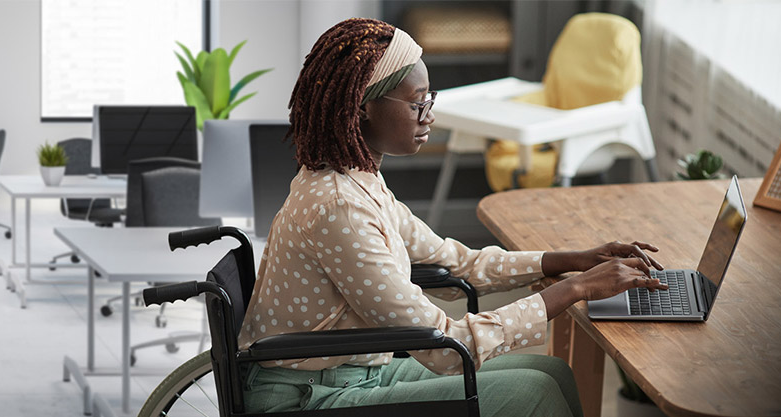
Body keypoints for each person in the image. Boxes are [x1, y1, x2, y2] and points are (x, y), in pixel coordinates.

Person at [238, 17, 667, 417]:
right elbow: (447, 347)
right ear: (363, 106)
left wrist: (571, 260)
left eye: (430, 100)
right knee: (532, 393)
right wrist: (577, 289)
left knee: (552, 373)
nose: (430, 116)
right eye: (416, 104)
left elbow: (456, 261)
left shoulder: (358, 181)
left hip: (351, 371)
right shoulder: (339, 208)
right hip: (307, 396)